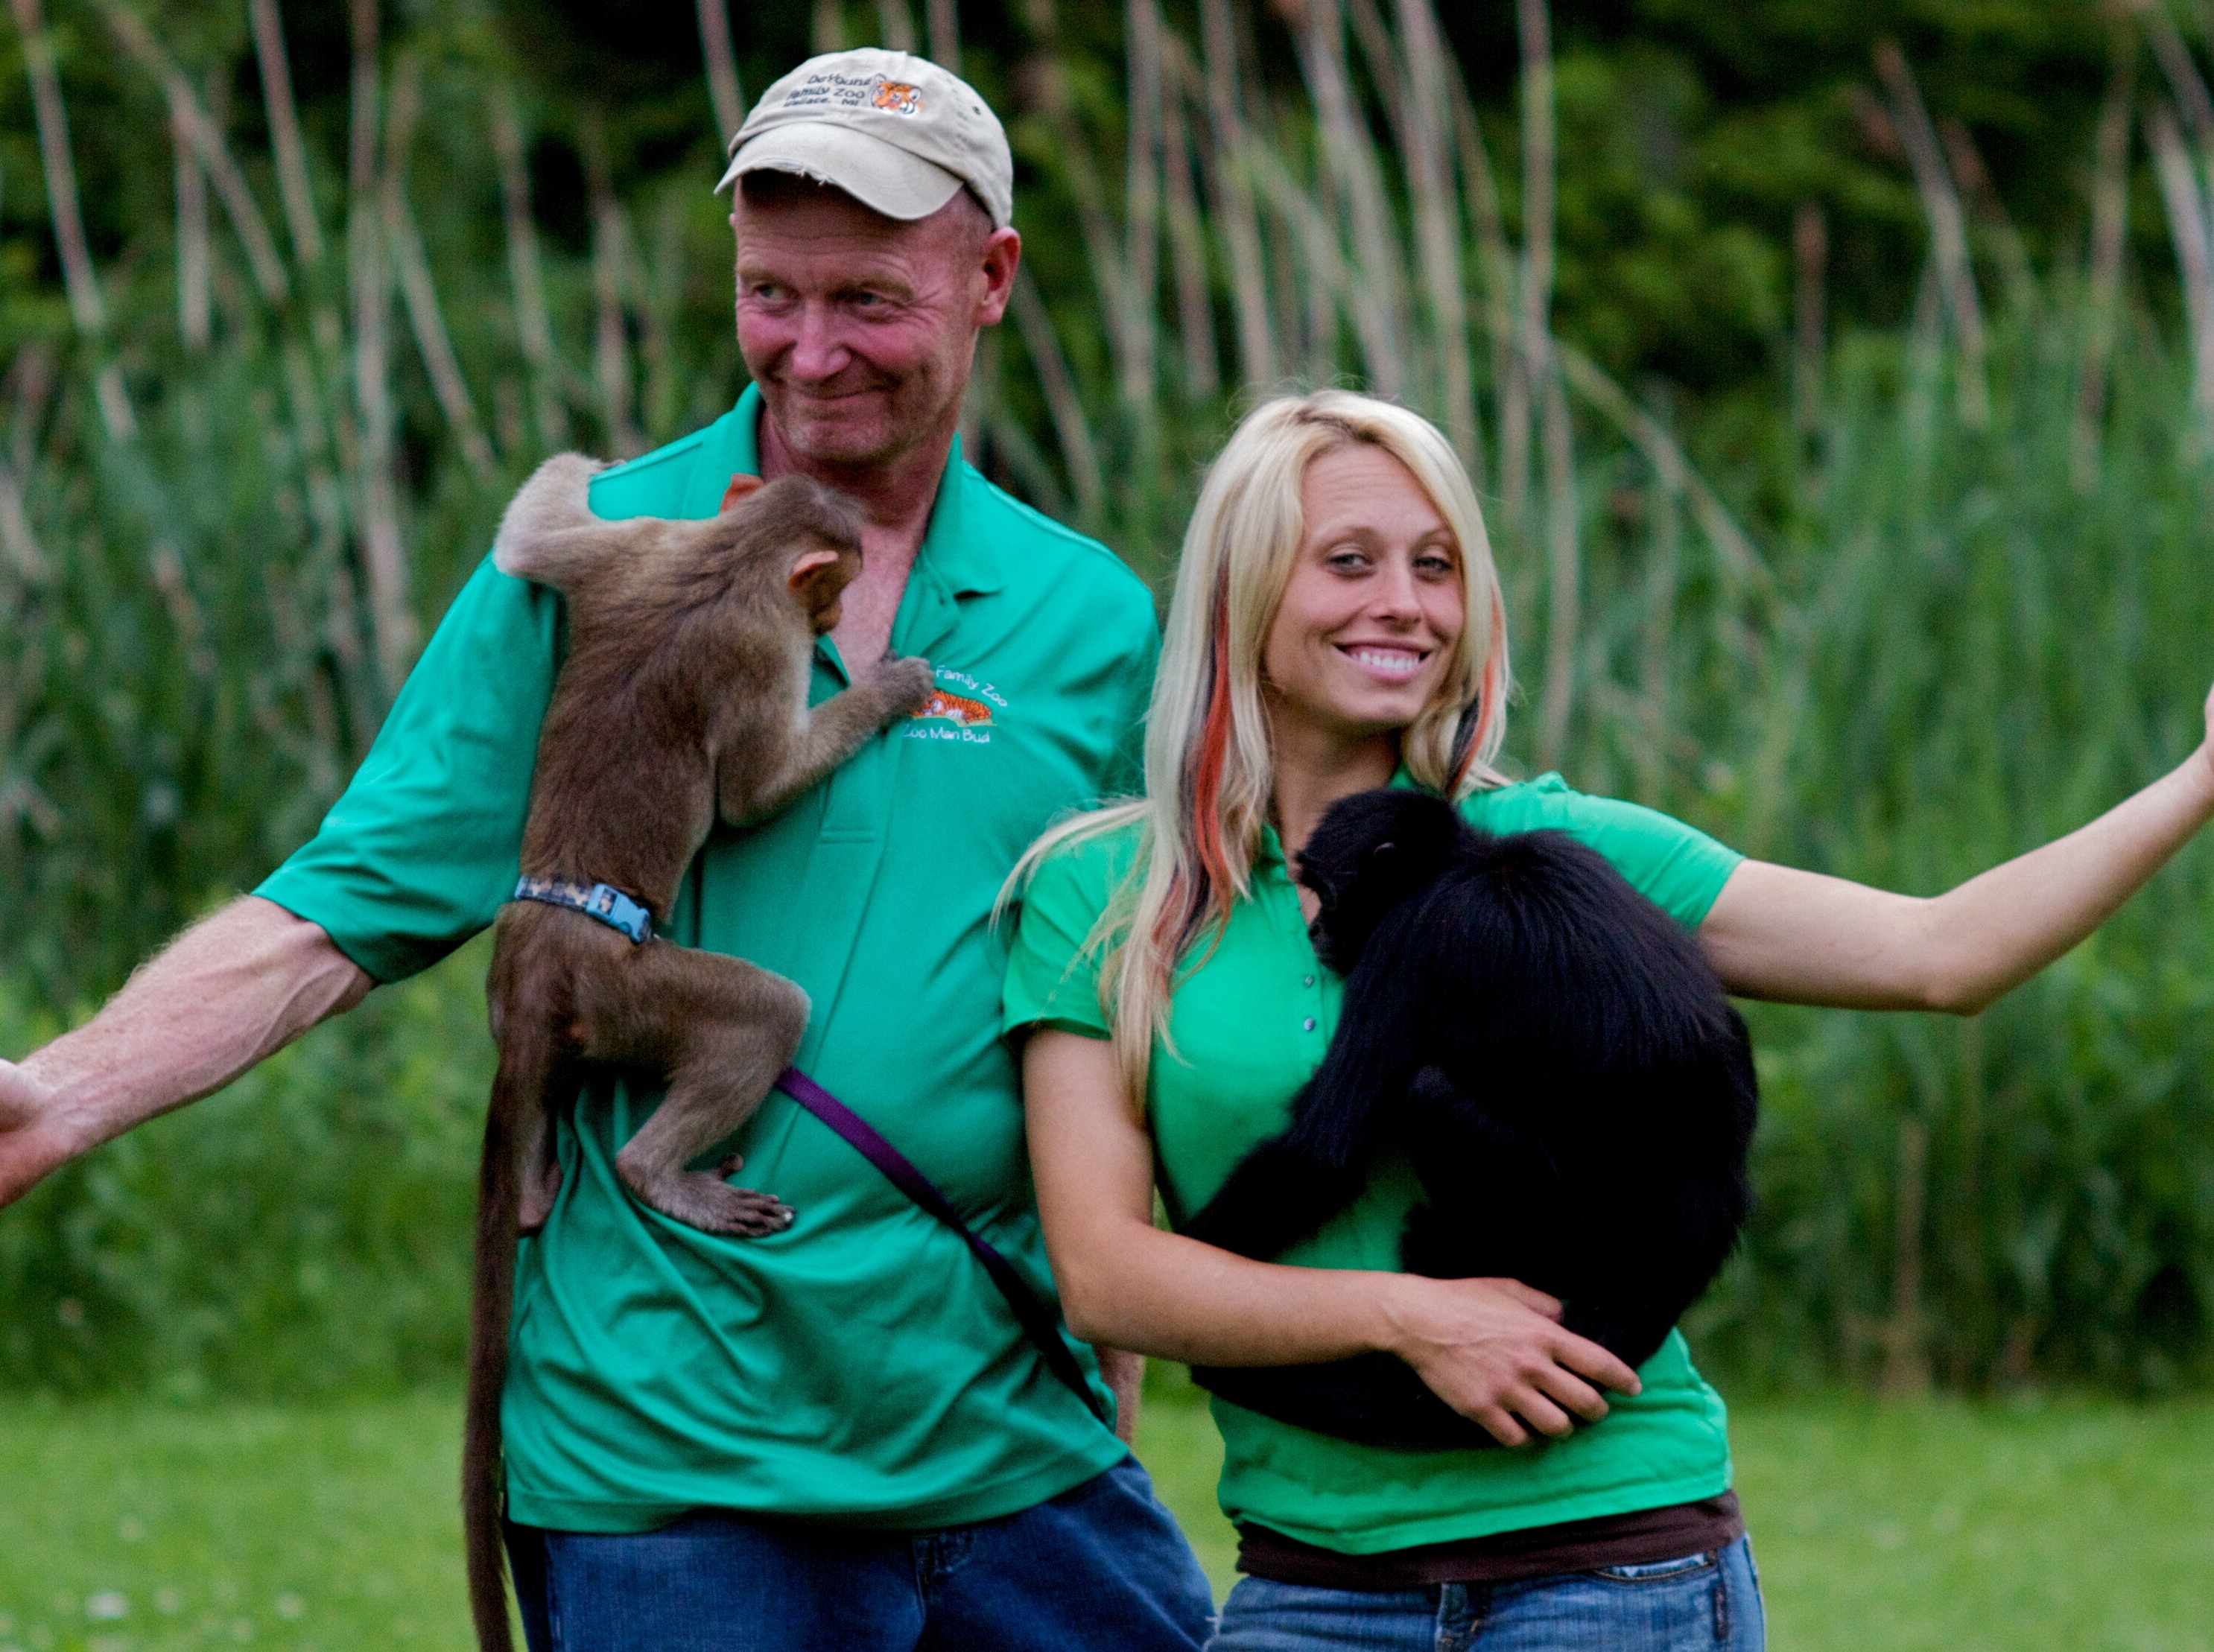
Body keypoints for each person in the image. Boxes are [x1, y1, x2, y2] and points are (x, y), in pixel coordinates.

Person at [0, 48, 1216, 1652]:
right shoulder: (616, 552)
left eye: (868, 299)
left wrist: (1114, 1373)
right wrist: (57, 1100)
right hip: (671, 1467)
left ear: (990, 278)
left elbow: (1109, 1004)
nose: (810, 350)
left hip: (1010, 1448)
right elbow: (346, 903)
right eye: (770, 294)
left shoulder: (1090, 613)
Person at [1003, 390, 2214, 1651]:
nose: (1405, 604)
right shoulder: (1106, 897)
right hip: (1310, 1583)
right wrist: (1413, 1317)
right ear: (1242, 596)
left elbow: (1940, 953)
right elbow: (1104, 1272)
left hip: (1612, 1568)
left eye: (1438, 566)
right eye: (1349, 563)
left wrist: (2201, 777)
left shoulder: (1554, 854)